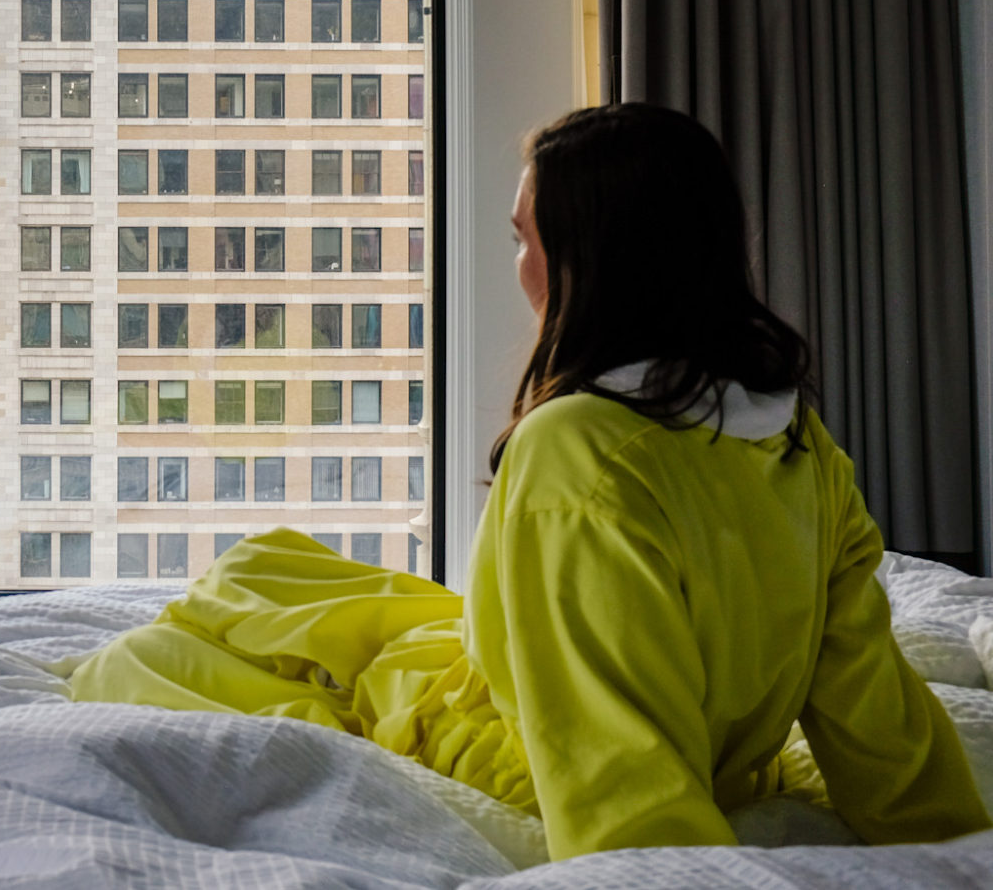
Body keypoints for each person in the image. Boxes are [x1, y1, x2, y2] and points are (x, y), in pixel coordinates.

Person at [67, 103, 990, 860]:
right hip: (692, 736)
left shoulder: (575, 448)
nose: (520, 270)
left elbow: (610, 762)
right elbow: (868, 694)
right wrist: (950, 835)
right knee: (267, 571)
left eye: (525, 240)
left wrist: (667, 863)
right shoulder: (789, 434)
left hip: (538, 750)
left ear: (590, 261)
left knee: (137, 662)